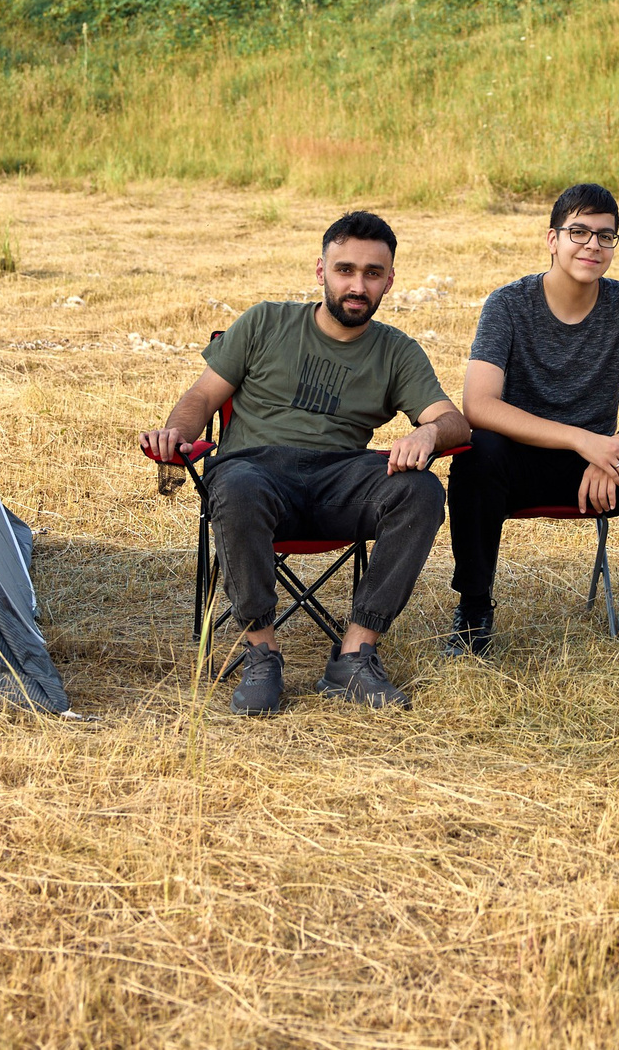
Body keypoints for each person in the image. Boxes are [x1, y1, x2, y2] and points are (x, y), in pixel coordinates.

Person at [139, 211, 468, 716]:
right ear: (321, 271)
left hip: (341, 480)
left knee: (421, 491)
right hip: (257, 473)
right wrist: (175, 434)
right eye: (345, 270)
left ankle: (355, 656)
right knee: (237, 486)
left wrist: (428, 431)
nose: (357, 285)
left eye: (373, 274)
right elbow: (203, 396)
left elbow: (456, 423)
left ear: (390, 280)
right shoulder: (265, 322)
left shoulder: (396, 352)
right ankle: (261, 654)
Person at [447, 183, 619, 656]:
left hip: (600, 475)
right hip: (521, 466)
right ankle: (473, 608)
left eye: (605, 235)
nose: (593, 244)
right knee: (478, 452)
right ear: (552, 239)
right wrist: (581, 441)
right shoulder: (508, 304)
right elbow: (479, 405)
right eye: (579, 231)